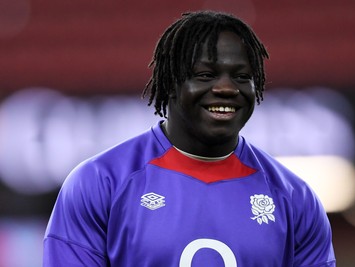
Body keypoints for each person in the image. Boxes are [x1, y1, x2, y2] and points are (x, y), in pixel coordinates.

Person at [43, 10, 336, 266]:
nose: (226, 88)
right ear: (171, 83)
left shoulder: (296, 198)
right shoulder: (99, 182)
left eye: (241, 76)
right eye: (206, 75)